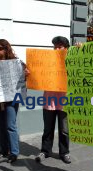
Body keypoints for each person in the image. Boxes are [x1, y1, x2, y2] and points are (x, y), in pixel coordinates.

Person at [35, 36, 71, 164]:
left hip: (65, 101)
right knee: (47, 129)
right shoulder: (47, 60)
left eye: (60, 46)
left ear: (66, 48)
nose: (56, 49)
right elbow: (36, 72)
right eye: (55, 46)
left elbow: (84, 65)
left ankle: (65, 153)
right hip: (49, 100)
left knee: (64, 130)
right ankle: (45, 151)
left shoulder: (72, 61)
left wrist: (81, 49)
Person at [0, 39, 27, 163]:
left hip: (11, 100)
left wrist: (26, 73)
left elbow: (25, 77)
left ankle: (14, 152)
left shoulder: (16, 63)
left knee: (10, 126)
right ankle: (4, 150)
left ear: (6, 49)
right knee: (1, 126)